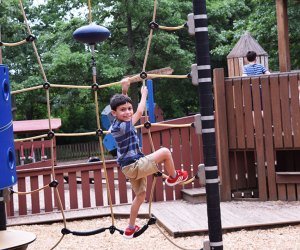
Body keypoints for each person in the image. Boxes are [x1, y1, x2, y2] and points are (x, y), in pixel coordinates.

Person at [109, 77, 188, 239]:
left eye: (128, 108)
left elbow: (124, 107)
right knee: (165, 151)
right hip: (134, 165)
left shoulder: (117, 124)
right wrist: (143, 95)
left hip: (129, 167)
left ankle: (130, 228)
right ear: (114, 113)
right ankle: (173, 178)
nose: (127, 112)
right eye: (123, 110)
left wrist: (125, 89)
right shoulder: (123, 126)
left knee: (140, 196)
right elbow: (138, 112)